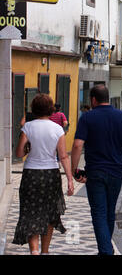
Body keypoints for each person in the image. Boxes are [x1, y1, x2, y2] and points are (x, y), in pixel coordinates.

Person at [71, 85, 122, 255]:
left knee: (99, 212)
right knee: (109, 211)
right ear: (107, 98)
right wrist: (117, 142)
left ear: (93, 100)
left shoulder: (87, 118)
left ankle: (106, 251)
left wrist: (74, 169)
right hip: (116, 171)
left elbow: (78, 144)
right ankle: (106, 249)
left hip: (95, 171)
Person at [13, 94, 74, 255]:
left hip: (31, 174)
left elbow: (18, 153)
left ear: (34, 108)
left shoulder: (28, 127)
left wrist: (27, 146)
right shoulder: (58, 129)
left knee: (31, 211)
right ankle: (45, 251)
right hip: (51, 175)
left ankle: (34, 250)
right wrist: (69, 179)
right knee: (49, 213)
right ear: (51, 109)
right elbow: (63, 156)